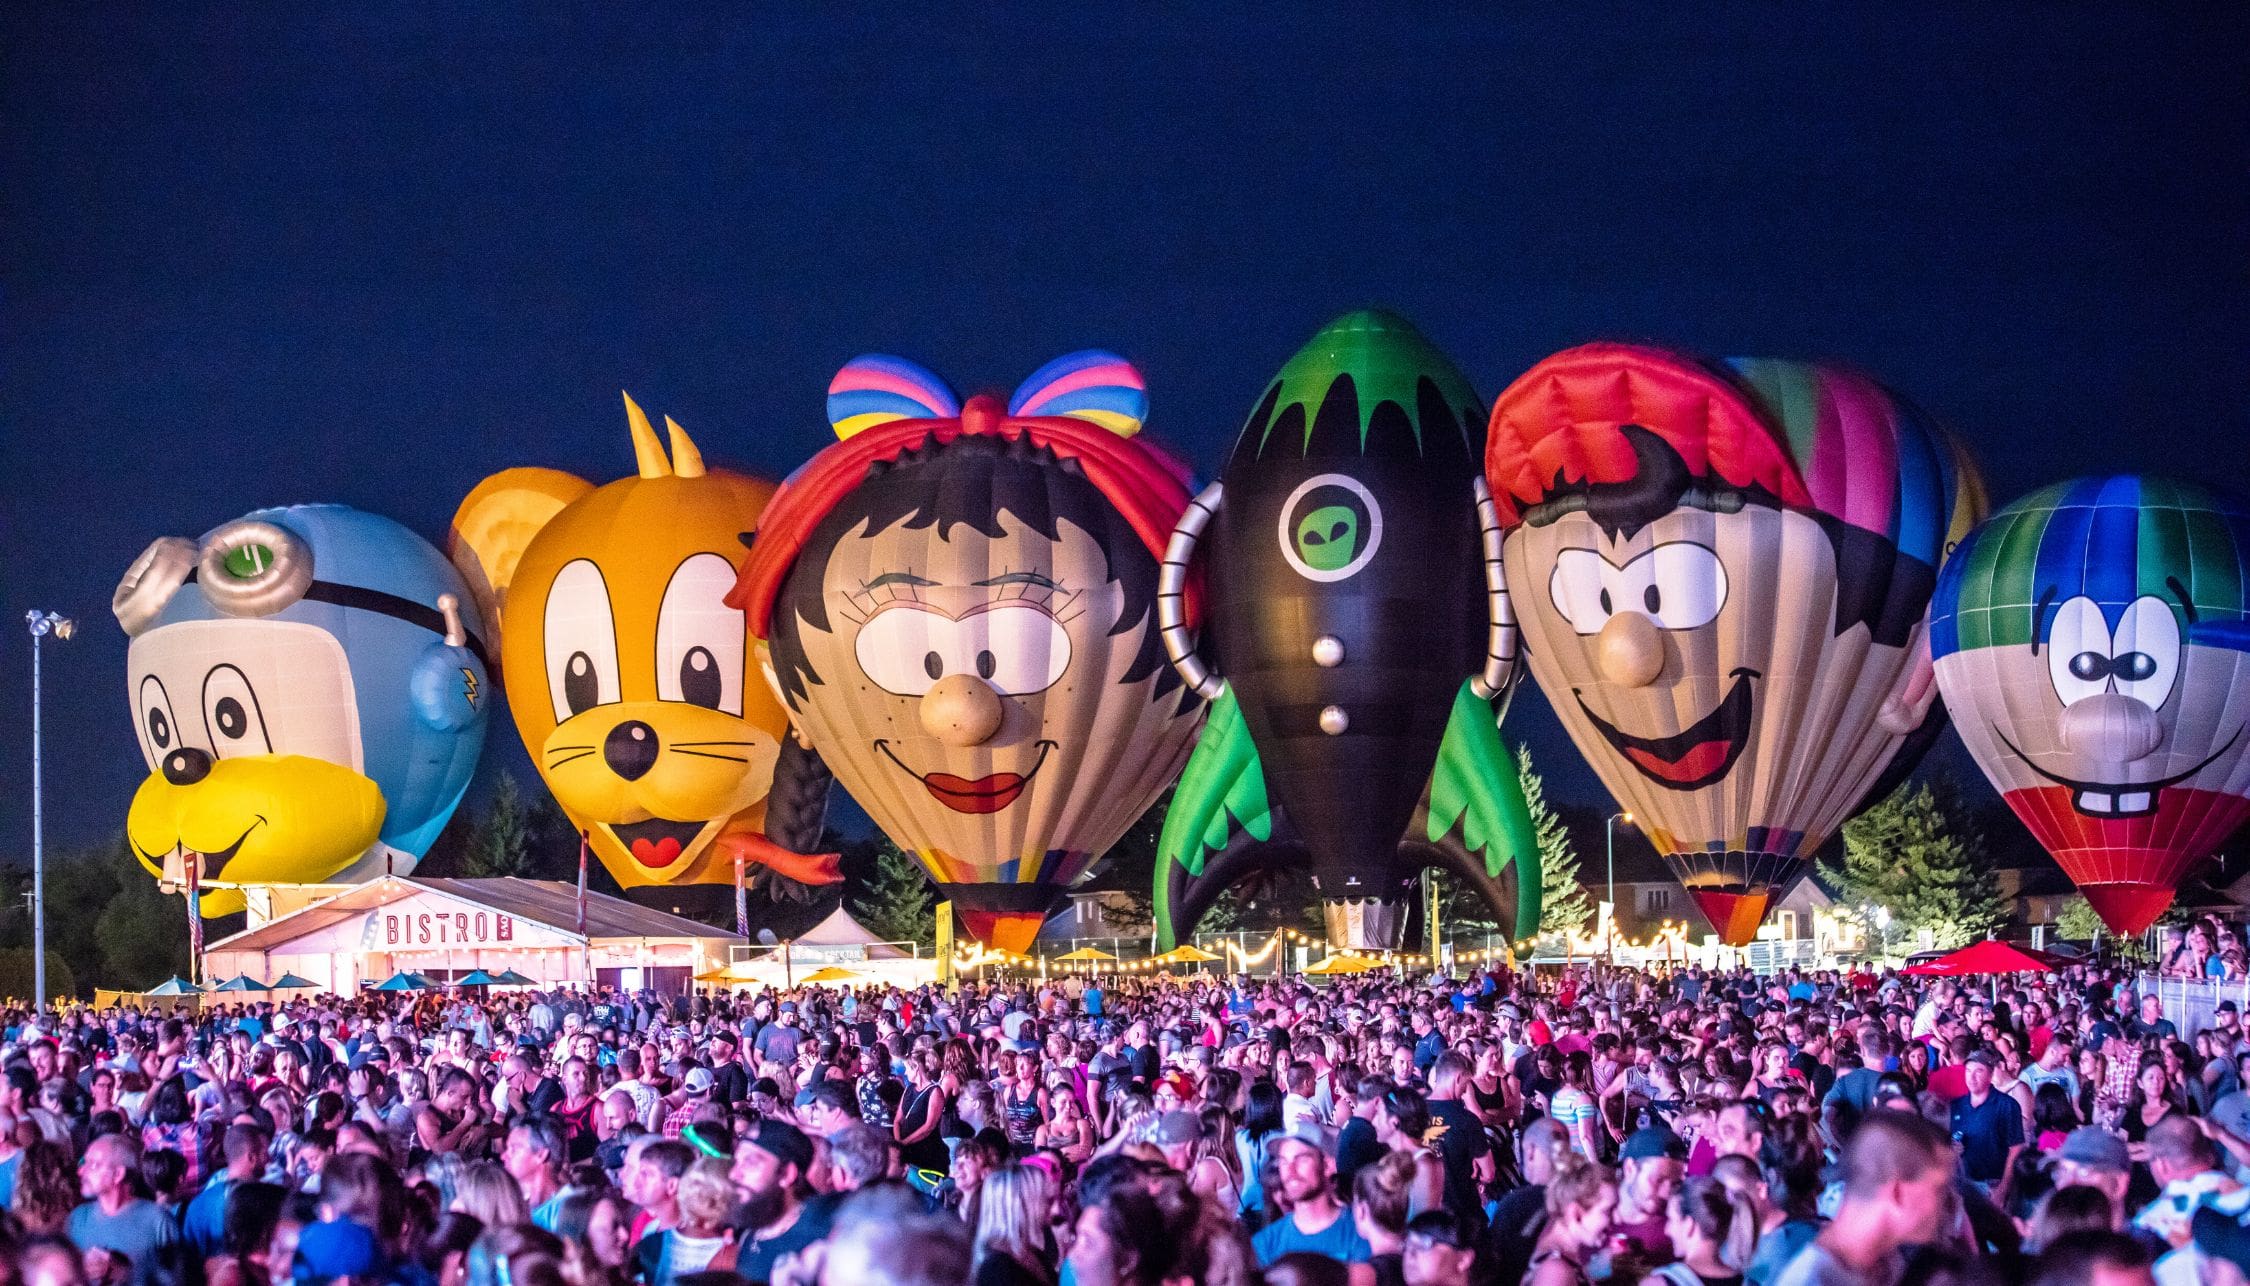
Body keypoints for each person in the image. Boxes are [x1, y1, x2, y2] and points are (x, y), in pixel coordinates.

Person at [1771, 1110, 1954, 1286]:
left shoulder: (1889, 1263)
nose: (1947, 1201)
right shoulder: (1813, 1281)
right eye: (1939, 1189)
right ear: (1897, 1193)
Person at [1252, 1126, 1373, 1267]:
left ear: (1327, 1166)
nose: (1290, 1170)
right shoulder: (1265, 1244)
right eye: (1284, 1161)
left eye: (1301, 1159)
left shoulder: (1364, 1230)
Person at [68, 1132, 179, 1283]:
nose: (81, 1171)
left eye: (93, 1165)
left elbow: (178, 1279)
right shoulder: (78, 1218)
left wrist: (122, 1272)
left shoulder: (158, 1220)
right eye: (83, 1163)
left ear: (118, 1174)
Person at [1645, 1175, 1757, 1286]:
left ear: (1689, 1225)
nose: (1667, 1230)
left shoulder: (1658, 1283)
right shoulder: (1750, 1284)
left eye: (1671, 1220)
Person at [1527, 1155, 1616, 1286]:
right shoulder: (1555, 1271)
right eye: (1607, 1212)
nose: (1615, 1220)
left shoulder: (1565, 1255)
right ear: (1576, 1213)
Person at [1948, 1049, 2024, 1200]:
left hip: (1993, 1184)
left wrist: (2003, 1188)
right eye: (1968, 1071)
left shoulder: (2006, 1105)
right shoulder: (1956, 1105)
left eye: (1979, 1071)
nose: (1972, 1077)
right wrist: (1952, 1148)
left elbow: (2016, 1148)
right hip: (1964, 1184)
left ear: (1990, 1075)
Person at [969, 1161, 1057, 1286]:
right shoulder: (997, 1269)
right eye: (1046, 1199)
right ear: (1021, 1204)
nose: (1055, 1209)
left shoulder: (1033, 1253)